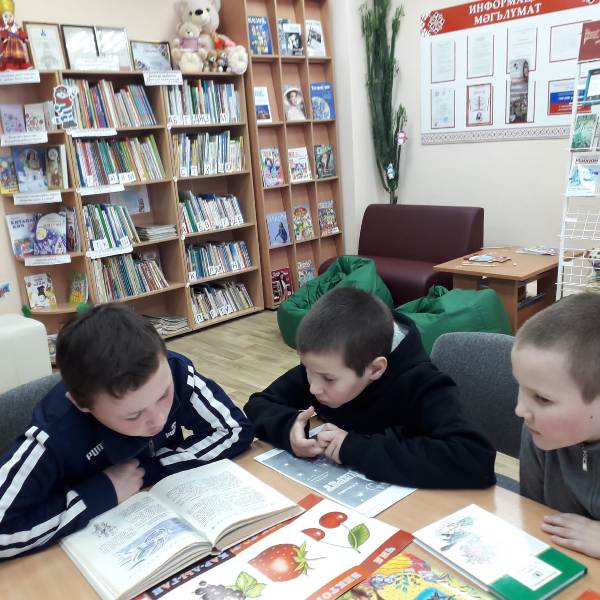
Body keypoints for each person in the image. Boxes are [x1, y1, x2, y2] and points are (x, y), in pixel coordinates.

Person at [0, 304, 253, 558]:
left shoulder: (174, 371)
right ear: (82, 404)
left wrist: (151, 470)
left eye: (164, 395)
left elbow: (233, 429)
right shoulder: (53, 435)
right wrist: (100, 493)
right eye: (133, 415)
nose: (158, 420)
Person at [244, 287, 496, 489]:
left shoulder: (423, 384)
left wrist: (353, 448)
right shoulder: (323, 367)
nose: (314, 388)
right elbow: (257, 404)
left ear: (375, 369)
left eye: (329, 379)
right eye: (308, 370)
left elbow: (475, 458)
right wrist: (289, 430)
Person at [513, 293, 600, 559]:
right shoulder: (539, 432)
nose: (520, 410)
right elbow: (537, 517)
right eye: (521, 387)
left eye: (542, 398)